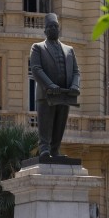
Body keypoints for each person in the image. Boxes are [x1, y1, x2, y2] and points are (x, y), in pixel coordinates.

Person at [30, 13, 80, 158]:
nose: (53, 29)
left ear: (59, 29)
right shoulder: (38, 47)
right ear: (45, 31)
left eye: (55, 26)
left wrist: (75, 86)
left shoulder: (69, 50)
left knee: (60, 123)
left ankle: (55, 150)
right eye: (50, 27)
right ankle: (44, 148)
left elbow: (76, 71)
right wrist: (50, 85)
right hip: (46, 94)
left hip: (65, 94)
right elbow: (36, 68)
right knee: (45, 122)